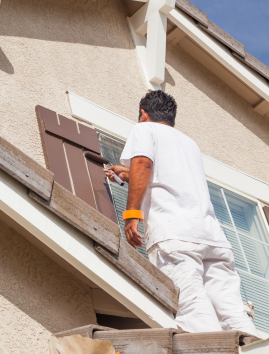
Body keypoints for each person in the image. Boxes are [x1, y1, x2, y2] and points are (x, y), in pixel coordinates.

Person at [105, 90, 258, 335]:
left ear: (144, 114)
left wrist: (132, 214)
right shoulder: (188, 143)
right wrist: (125, 174)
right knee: (233, 313)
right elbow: (166, 176)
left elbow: (143, 163)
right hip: (213, 239)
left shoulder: (144, 129)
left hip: (176, 236)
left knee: (193, 307)